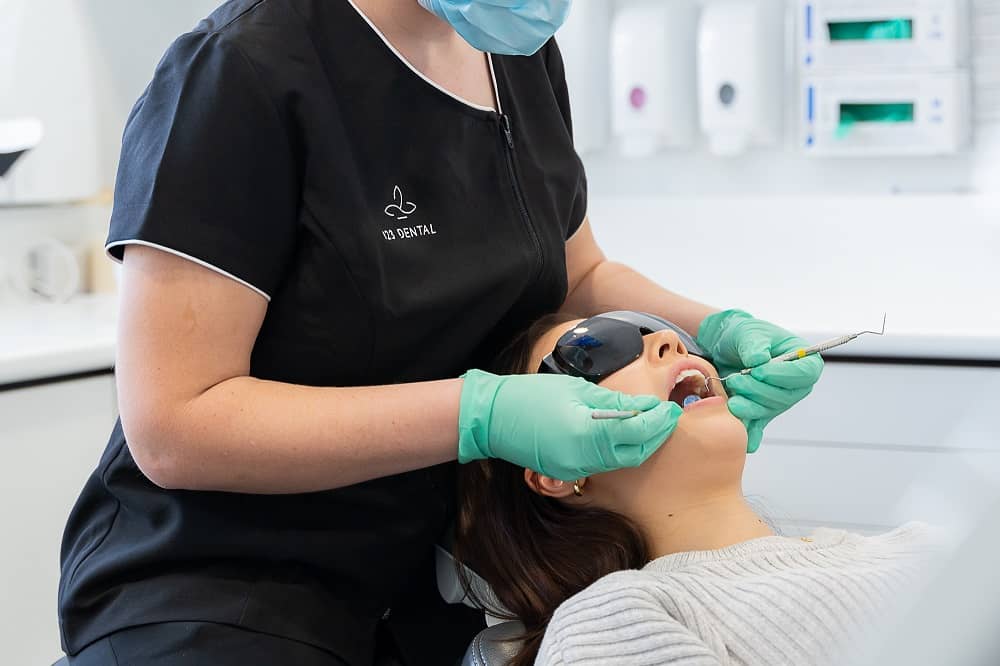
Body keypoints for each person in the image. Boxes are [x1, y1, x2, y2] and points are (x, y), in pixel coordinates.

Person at [57, 2, 823, 665]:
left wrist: (716, 329)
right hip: (227, 586)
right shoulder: (241, 73)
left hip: (437, 578)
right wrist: (481, 414)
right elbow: (174, 427)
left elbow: (575, 274)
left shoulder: (514, 55)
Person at [455, 311, 944, 666]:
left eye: (654, 329)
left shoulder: (917, 545)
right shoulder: (611, 622)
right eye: (596, 346)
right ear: (558, 470)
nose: (669, 339)